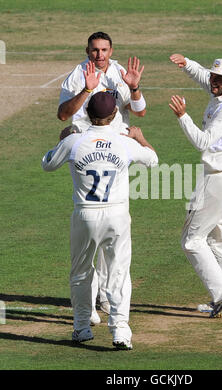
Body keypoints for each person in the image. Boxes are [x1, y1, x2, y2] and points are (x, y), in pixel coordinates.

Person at [42, 92, 158, 349]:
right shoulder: (123, 142)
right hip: (116, 215)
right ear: (114, 115)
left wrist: (60, 142)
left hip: (85, 214)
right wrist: (140, 138)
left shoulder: (74, 140)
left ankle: (82, 328)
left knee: (81, 272)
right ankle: (120, 331)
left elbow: (47, 164)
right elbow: (153, 160)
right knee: (118, 272)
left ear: (87, 114)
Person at [57, 31, 147, 321]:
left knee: (111, 230)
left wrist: (134, 89)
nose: (99, 55)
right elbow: (62, 115)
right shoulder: (76, 75)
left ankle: (108, 301)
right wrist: (85, 90)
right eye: (94, 50)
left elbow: (141, 112)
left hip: (116, 151)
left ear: (111, 50)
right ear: (87, 50)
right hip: (85, 151)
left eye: (104, 50)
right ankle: (93, 307)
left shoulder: (121, 72)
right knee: (94, 231)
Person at [169, 54, 222, 318]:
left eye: (217, 78)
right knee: (217, 238)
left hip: (216, 178)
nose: (212, 81)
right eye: (212, 76)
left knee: (191, 240)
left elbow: (204, 142)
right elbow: (204, 78)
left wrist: (183, 117)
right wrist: (187, 63)